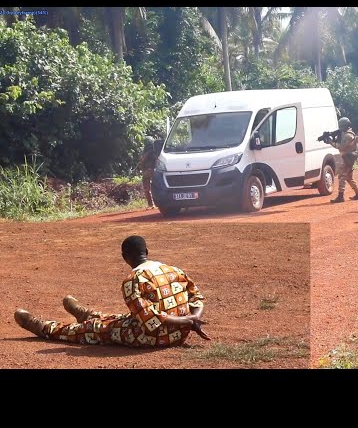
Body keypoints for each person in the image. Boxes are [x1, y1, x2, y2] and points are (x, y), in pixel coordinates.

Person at [13, 235, 210, 347]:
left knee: (93, 330)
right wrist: (193, 319)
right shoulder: (173, 269)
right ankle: (88, 314)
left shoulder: (133, 279)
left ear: (125, 257)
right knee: (120, 319)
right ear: (147, 252)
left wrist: (187, 320)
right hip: (179, 335)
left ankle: (43, 328)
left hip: (152, 338)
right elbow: (197, 298)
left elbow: (149, 318)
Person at [328, 117, 358, 203]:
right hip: (349, 157)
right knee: (349, 177)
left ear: (345, 126)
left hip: (348, 158)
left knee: (342, 176)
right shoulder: (348, 133)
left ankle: (340, 196)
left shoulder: (348, 135)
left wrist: (330, 142)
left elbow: (340, 146)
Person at [137, 136, 157, 210]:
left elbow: (141, 162)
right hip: (154, 171)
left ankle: (150, 204)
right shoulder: (154, 151)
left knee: (147, 188)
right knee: (154, 188)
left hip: (147, 171)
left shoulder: (144, 152)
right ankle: (154, 204)